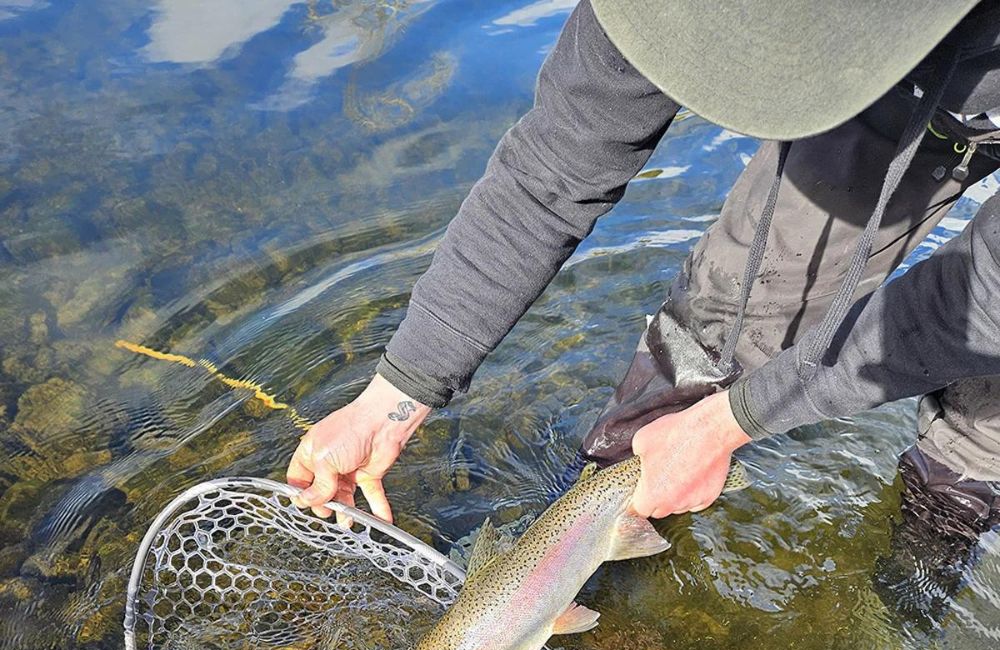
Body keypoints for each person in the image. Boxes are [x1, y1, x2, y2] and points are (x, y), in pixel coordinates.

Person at [286, 0, 1000, 564]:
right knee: (719, 328)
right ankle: (601, 529)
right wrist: (394, 396)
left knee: (984, 412)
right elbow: (548, 177)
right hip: (875, 99)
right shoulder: (644, 16)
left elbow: (980, 306)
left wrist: (730, 424)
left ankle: (933, 537)